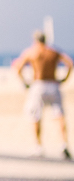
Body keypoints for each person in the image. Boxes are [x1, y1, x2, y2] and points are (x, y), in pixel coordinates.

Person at [13, 30, 73, 159]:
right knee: (59, 115)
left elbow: (18, 67)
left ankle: (39, 146)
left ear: (34, 40)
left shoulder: (31, 52)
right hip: (53, 85)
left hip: (38, 85)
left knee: (36, 116)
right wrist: (64, 79)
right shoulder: (54, 52)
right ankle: (64, 145)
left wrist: (25, 82)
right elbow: (70, 63)